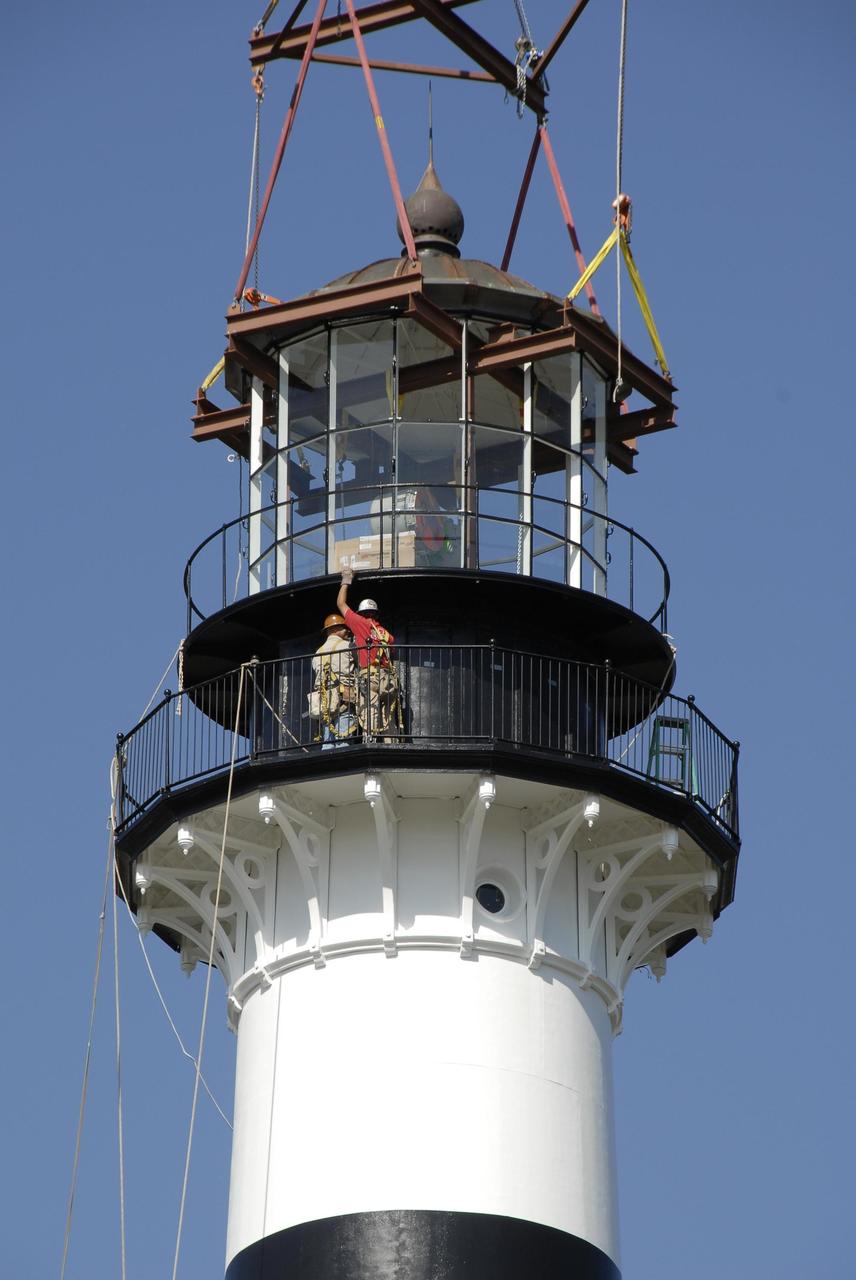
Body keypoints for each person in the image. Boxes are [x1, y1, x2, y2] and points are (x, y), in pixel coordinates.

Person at [337, 570, 400, 738]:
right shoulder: (386, 634)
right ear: (375, 614)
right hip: (388, 681)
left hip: (370, 678)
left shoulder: (360, 624)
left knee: (369, 715)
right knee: (387, 719)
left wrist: (346, 579)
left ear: (361, 613)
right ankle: (391, 747)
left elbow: (341, 604)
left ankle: (370, 745)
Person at [311, 613, 357, 748]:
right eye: (344, 628)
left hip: (325, 699)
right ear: (335, 629)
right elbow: (361, 665)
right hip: (344, 696)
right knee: (343, 738)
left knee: (328, 740)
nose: (347, 630)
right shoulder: (349, 645)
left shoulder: (318, 652)